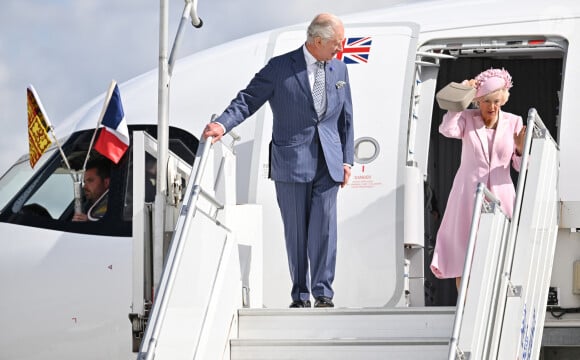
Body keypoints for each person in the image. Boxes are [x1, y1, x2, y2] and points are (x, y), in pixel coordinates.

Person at [202, 13, 354, 308]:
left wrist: (347, 160)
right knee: (296, 231)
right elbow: (247, 99)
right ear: (318, 41)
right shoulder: (280, 68)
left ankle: (323, 292)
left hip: (329, 160)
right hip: (292, 160)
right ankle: (300, 294)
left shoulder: (340, 70)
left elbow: (346, 118)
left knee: (325, 227)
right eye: (337, 43)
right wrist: (222, 124)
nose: (341, 49)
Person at [430, 68, 526, 289]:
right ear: (477, 100)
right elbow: (447, 129)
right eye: (487, 101)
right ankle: (464, 309)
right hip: (467, 194)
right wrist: (463, 91)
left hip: (502, 195)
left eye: (497, 102)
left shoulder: (514, 122)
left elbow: (522, 167)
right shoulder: (466, 118)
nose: (492, 107)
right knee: (464, 251)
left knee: (500, 251)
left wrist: (520, 150)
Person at [72, 158, 111, 222]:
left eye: (90, 180)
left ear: (106, 182)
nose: (84, 186)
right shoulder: (88, 205)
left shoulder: (114, 206)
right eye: (84, 182)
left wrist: (89, 222)